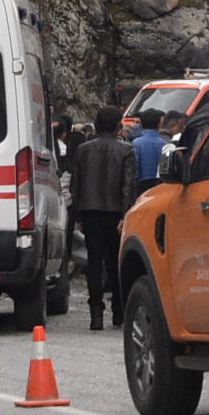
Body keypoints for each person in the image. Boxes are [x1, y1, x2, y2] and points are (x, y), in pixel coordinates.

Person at [68, 105, 138, 330]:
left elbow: (75, 185)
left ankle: (95, 312)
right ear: (118, 125)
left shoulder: (83, 150)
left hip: (90, 212)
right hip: (116, 213)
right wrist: (125, 213)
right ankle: (119, 311)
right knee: (116, 263)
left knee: (94, 264)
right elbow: (128, 185)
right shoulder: (126, 150)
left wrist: (79, 214)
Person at [127, 109, 172, 198]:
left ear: (141, 124)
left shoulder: (136, 143)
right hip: (161, 189)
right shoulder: (166, 144)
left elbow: (135, 171)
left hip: (141, 191)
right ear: (159, 124)